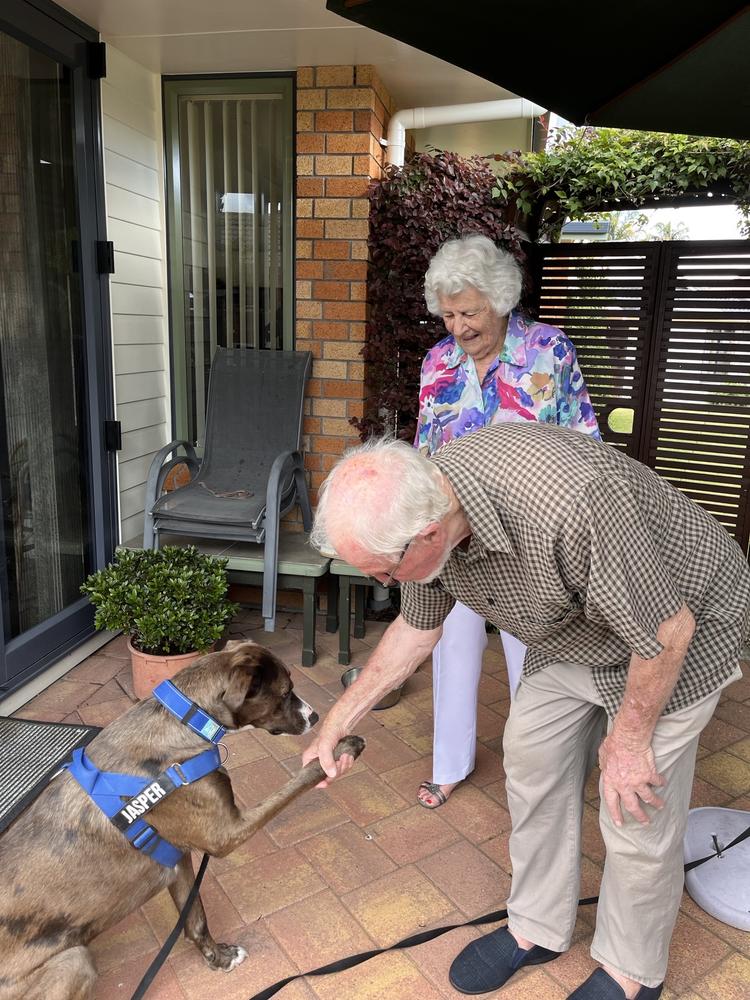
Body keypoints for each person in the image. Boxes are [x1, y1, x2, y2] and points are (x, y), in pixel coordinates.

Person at [303, 426, 750, 1000]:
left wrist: (629, 743)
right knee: (533, 761)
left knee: (634, 804)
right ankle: (537, 926)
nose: (380, 584)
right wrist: (337, 723)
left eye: (384, 573)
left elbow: (666, 631)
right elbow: (416, 628)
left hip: (679, 626)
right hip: (575, 629)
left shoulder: (573, 502)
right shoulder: (424, 507)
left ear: (429, 535)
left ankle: (631, 971)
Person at [414, 233, 600, 809]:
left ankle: (541, 768)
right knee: (452, 647)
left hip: (529, 539)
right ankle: (450, 763)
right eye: (448, 315)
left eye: (469, 312)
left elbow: (585, 443)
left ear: (500, 300)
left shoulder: (548, 351)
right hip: (459, 539)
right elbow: (425, 450)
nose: (459, 328)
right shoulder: (438, 363)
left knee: (536, 656)